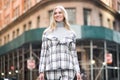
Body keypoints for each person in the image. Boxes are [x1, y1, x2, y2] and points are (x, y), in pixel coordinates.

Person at [39, 5, 82, 80]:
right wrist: (41, 71)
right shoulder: (47, 33)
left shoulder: (71, 33)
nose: (57, 15)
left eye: (60, 12)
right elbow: (43, 53)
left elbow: (74, 54)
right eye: (55, 13)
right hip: (52, 69)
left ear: (64, 15)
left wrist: (77, 71)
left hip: (68, 69)